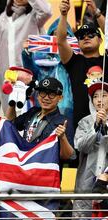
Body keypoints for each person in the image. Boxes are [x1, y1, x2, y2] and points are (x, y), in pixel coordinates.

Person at [0, 0, 52, 113]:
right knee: (8, 112)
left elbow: (46, 11)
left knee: (29, 110)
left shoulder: (35, 16)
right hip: (6, 75)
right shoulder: (3, 18)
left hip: (29, 74)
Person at [57, 0, 105, 128]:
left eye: (91, 34)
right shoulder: (74, 61)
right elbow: (61, 41)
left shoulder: (106, 60)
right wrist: (63, 15)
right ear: (77, 42)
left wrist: (96, 13)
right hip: (82, 126)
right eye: (81, 36)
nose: (86, 37)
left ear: (100, 40)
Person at [5, 77, 74, 160]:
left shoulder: (64, 122)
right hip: (24, 166)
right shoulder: (33, 112)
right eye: (42, 93)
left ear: (60, 98)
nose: (46, 98)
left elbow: (68, 157)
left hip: (44, 169)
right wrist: (12, 100)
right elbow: (10, 124)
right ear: (37, 95)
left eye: (51, 94)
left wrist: (63, 138)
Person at [22, 18, 74, 125]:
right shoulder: (41, 56)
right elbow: (32, 72)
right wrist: (27, 53)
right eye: (55, 34)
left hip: (68, 104)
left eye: (63, 35)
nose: (58, 38)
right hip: (44, 102)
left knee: (66, 133)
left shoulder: (76, 58)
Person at [73, 82, 108, 218]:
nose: (99, 100)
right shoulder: (84, 122)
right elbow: (81, 146)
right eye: (95, 96)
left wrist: (105, 126)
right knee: (83, 218)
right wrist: (96, 127)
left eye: (104, 95)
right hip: (86, 180)